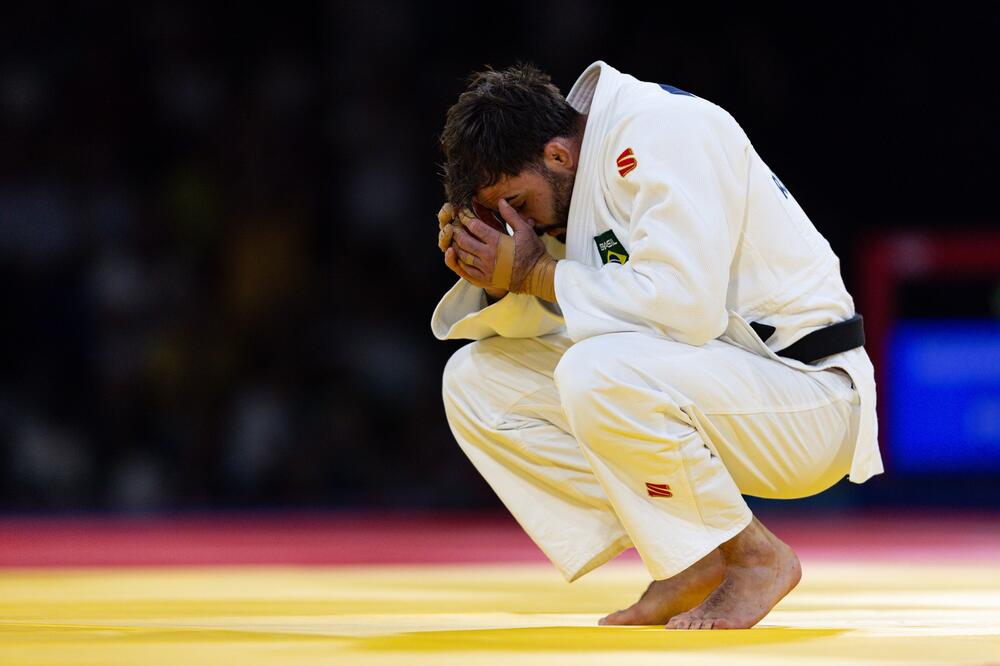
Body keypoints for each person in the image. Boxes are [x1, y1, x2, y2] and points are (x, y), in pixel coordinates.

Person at [431, 61, 882, 630]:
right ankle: (692, 555)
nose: (524, 224)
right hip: (717, 385)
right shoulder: (578, 183)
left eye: (518, 204)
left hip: (805, 395)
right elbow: (596, 315)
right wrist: (504, 279)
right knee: (478, 381)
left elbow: (682, 308)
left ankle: (754, 558)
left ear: (556, 155)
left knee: (596, 371)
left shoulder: (664, 129)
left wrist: (537, 274)